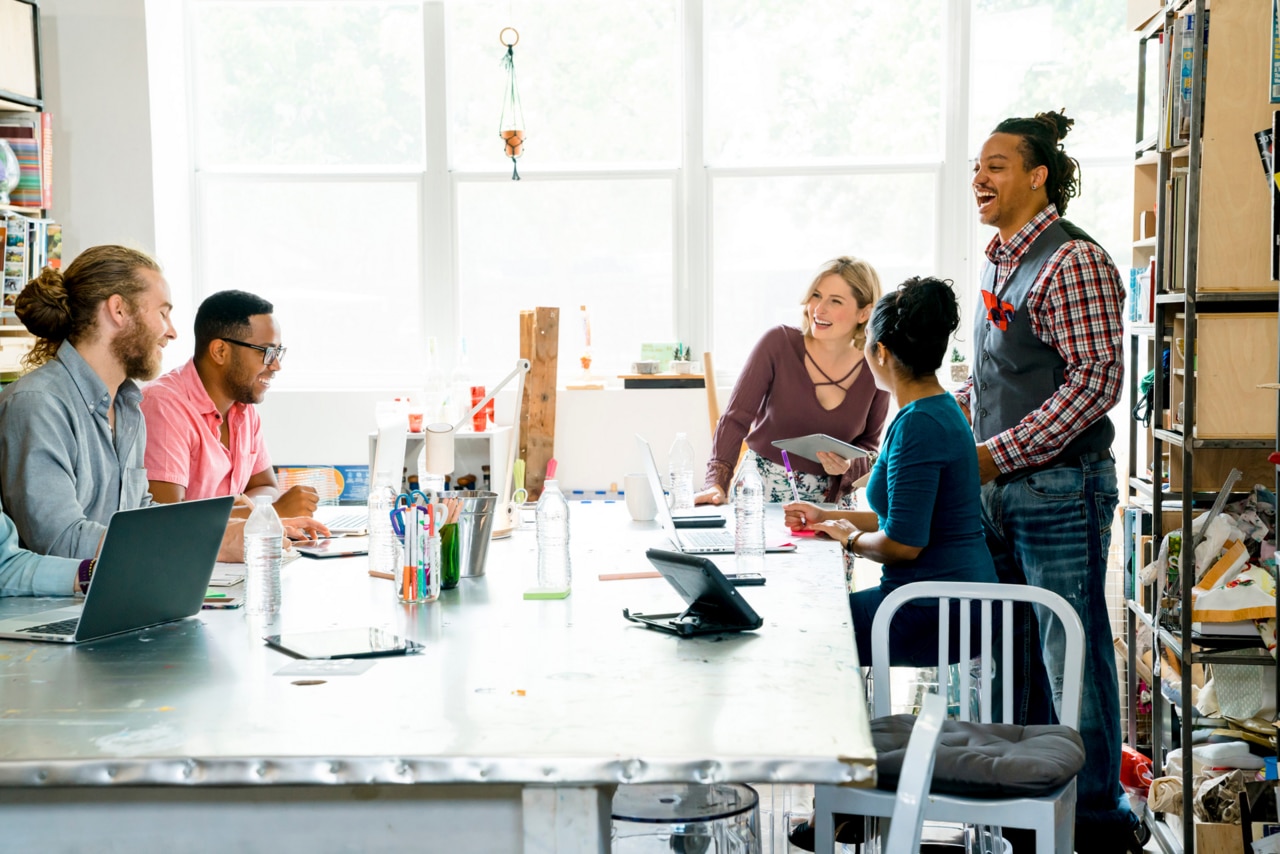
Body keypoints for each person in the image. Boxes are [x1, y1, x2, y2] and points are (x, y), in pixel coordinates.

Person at [957, 110, 1142, 852]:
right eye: (978, 165)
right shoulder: (999, 259)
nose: (980, 177)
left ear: (1038, 176)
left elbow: (1096, 382)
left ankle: (1097, 822)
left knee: (1073, 651)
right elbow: (988, 377)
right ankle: (1027, 813)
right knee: (1011, 656)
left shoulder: (1074, 261)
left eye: (996, 165)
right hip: (1000, 490)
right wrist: (941, 434)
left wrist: (999, 454)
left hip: (1061, 491)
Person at [0, 246, 322, 563]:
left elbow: (144, 519)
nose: (172, 332)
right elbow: (60, 541)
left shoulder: (128, 408)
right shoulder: (37, 405)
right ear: (119, 310)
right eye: (162, 313)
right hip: (57, 608)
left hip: (120, 595)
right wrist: (213, 542)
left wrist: (242, 530)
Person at [782, 277, 996, 666]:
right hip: (943, 600)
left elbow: (902, 544)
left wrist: (849, 538)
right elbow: (902, 517)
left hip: (936, 608)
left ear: (881, 351)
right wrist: (826, 516)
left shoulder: (920, 424)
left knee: (799, 632)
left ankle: (841, 729)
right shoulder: (936, 409)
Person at [695, 256, 889, 507]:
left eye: (835, 301)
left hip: (832, 503)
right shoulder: (778, 343)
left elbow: (870, 447)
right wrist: (716, 482)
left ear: (865, 312)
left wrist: (850, 464)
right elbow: (735, 419)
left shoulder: (875, 365)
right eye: (816, 295)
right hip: (761, 491)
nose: (819, 308)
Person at [141, 289, 319, 519]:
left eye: (278, 352)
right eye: (266, 352)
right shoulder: (163, 406)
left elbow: (267, 488)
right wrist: (266, 515)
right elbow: (168, 521)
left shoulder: (244, 408)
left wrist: (250, 511)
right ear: (220, 351)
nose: (276, 365)